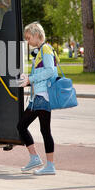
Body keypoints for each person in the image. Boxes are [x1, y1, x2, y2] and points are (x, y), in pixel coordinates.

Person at [17, 22, 58, 175]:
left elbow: (49, 71)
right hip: (38, 96)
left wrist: (31, 79)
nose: (28, 41)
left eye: (29, 38)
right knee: (39, 129)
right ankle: (39, 160)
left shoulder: (45, 49)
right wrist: (28, 78)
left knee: (26, 126)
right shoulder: (41, 50)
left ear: (36, 35)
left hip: (42, 96)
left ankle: (47, 164)